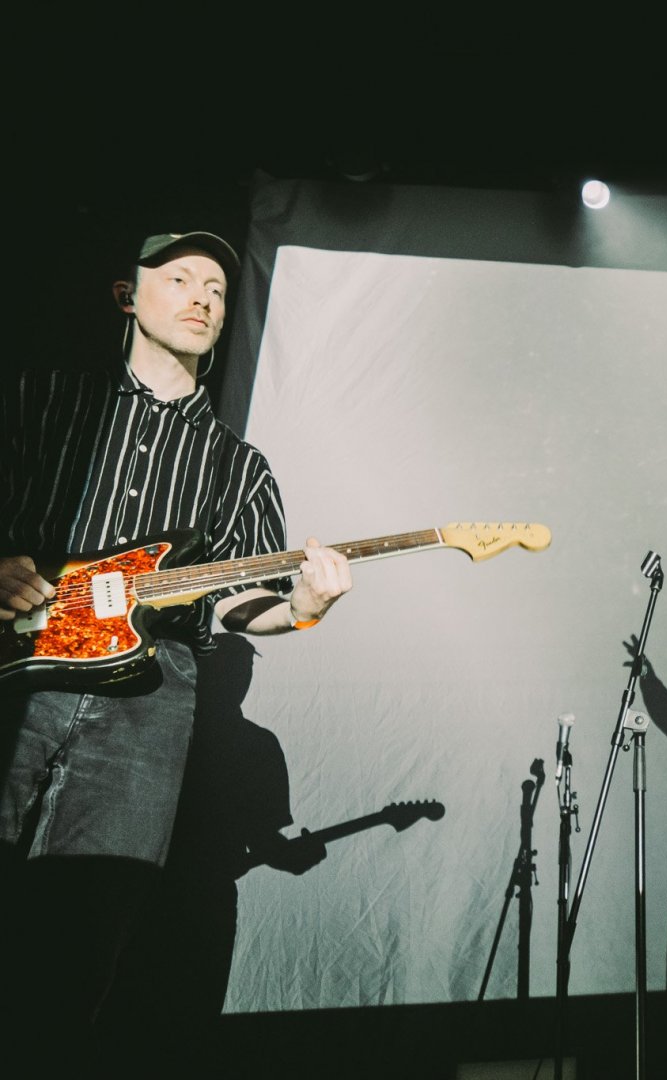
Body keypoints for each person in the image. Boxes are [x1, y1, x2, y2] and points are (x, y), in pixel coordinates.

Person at [0, 230, 352, 1060]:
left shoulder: (240, 468)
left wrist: (303, 606)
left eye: (219, 290)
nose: (203, 296)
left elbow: (243, 603)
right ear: (130, 296)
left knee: (79, 955)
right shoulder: (39, 402)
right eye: (182, 278)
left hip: (146, 714)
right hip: (19, 685)